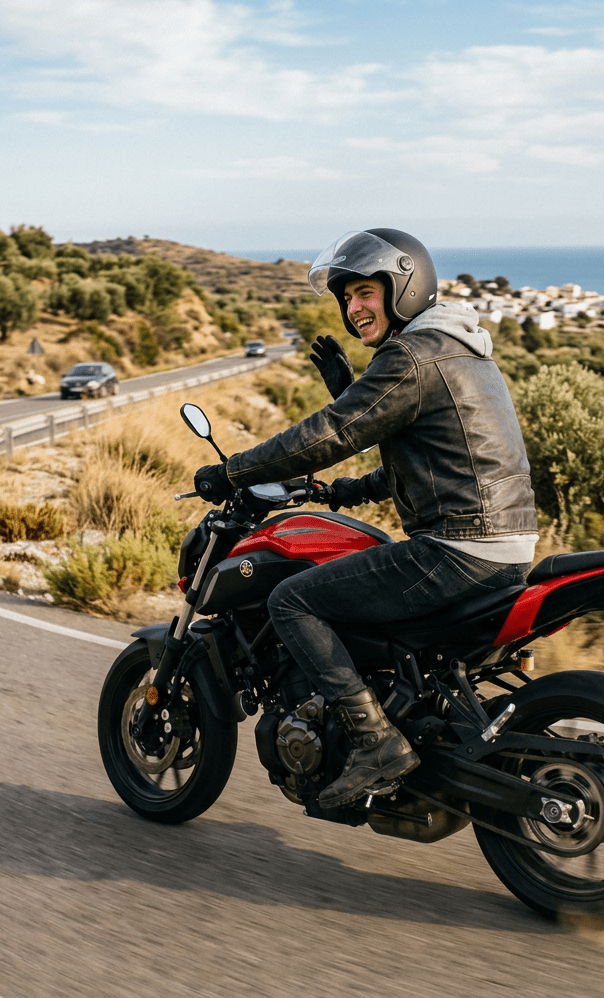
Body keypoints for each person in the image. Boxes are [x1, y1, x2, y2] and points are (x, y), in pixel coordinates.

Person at [194, 228, 538, 809]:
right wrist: (343, 492)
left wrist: (233, 473)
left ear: (402, 285)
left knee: (291, 601)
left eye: (364, 292)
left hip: (456, 550)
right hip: (501, 546)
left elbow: (329, 434)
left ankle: (375, 740)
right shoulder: (462, 348)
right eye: (346, 298)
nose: (353, 308)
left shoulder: (412, 356)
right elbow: (433, 456)